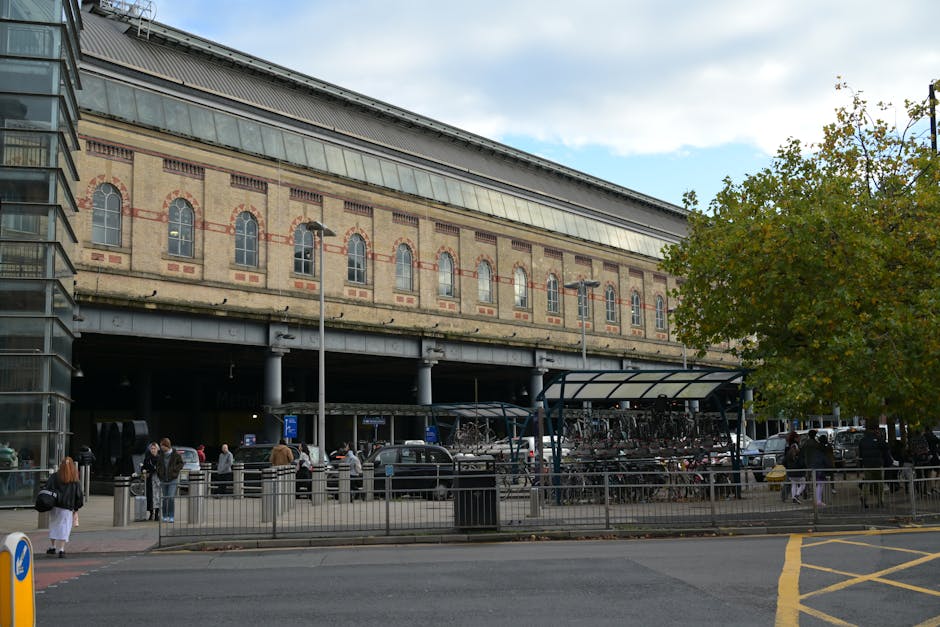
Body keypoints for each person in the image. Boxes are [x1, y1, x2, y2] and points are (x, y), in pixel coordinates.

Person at [45, 457, 84, 558]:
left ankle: (52, 547)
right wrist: (76, 507)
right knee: (65, 527)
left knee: (54, 525)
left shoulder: (54, 477)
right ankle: (61, 549)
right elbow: (79, 495)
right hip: (67, 507)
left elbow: (48, 488)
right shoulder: (74, 478)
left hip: (55, 506)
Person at [858, 423, 891, 508]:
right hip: (877, 464)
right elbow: (886, 448)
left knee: (867, 482)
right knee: (879, 483)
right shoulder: (879, 439)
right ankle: (880, 501)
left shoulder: (863, 440)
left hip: (867, 464)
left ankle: (864, 497)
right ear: (876, 430)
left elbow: (860, 454)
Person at [155, 438, 184, 523]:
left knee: (170, 497)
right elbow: (158, 465)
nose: (161, 447)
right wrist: (159, 473)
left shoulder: (176, 455)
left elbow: (181, 463)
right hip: (163, 479)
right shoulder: (161, 455)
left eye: (162, 446)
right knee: (164, 498)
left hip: (173, 479)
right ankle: (164, 515)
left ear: (166, 446)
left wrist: (175, 470)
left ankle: (171, 516)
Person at [801, 430, 828, 506]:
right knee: (816, 481)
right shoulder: (816, 444)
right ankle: (816, 497)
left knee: (808, 478)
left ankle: (806, 493)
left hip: (807, 463)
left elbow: (802, 452)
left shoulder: (805, 443)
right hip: (814, 464)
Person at [141, 442, 161, 520]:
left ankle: (157, 514)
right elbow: (143, 467)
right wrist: (143, 470)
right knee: (150, 497)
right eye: (152, 448)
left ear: (157, 449)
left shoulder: (160, 458)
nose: (153, 450)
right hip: (150, 480)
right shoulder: (147, 458)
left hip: (158, 480)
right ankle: (151, 513)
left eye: (154, 448)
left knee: (157, 496)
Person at [784, 431, 805, 504]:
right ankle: (796, 495)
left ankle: (793, 498)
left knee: (794, 484)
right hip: (798, 470)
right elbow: (801, 460)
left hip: (790, 470)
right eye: (798, 437)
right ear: (796, 438)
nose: (800, 439)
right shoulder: (797, 447)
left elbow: (784, 461)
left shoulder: (787, 447)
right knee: (803, 484)